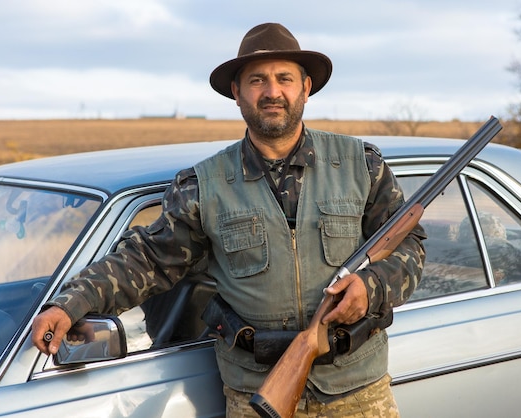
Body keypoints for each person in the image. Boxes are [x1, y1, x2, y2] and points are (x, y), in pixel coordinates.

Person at [32, 22, 426, 417]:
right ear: (237, 93)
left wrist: (372, 288)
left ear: (305, 87)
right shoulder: (204, 185)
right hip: (255, 396)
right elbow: (148, 260)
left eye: (284, 78)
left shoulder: (362, 165)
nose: (273, 92)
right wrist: (71, 304)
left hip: (357, 393)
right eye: (257, 80)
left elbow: (408, 245)